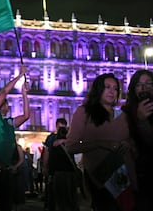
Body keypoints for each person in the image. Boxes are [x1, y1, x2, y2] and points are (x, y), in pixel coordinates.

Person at [65, 73, 137, 211]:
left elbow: (132, 141)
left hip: (124, 175)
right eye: (107, 87)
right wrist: (101, 143)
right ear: (98, 90)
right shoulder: (84, 112)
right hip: (100, 175)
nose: (112, 91)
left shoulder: (123, 116)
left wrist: (128, 145)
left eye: (115, 88)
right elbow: (71, 146)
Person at [0, 64, 30, 211]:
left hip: (6, 170)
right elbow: (3, 92)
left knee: (6, 203)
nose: (3, 105)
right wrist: (20, 76)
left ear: (8, 107)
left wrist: (24, 93)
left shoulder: (9, 123)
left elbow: (26, 116)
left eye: (5, 104)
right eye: (0, 103)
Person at [121, 69, 153, 211]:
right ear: (133, 89)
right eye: (139, 85)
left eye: (148, 83)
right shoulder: (125, 113)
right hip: (136, 177)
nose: (144, 88)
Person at [47, 127, 80, 211]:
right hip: (70, 173)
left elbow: (51, 161)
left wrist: (50, 173)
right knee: (71, 198)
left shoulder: (54, 145)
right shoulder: (70, 144)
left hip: (58, 174)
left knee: (61, 199)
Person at [42, 118, 68, 211]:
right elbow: (46, 152)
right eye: (60, 128)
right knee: (53, 193)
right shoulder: (51, 138)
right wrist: (45, 167)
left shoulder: (69, 137)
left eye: (63, 129)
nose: (61, 131)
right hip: (55, 170)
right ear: (56, 127)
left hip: (67, 170)